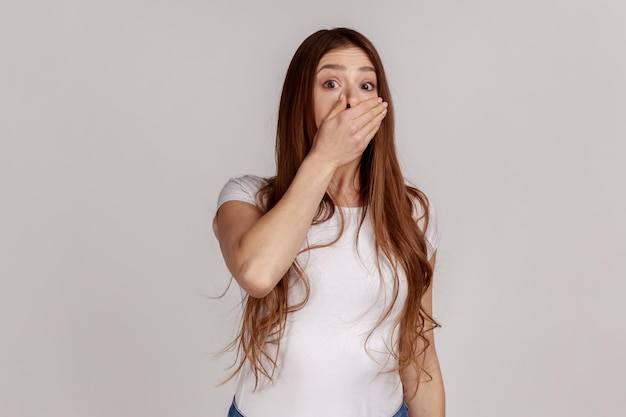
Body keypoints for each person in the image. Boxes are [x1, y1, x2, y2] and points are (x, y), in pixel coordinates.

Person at [213, 28, 445, 417]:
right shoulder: (248, 198)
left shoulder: (412, 212)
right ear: (301, 100)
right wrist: (324, 159)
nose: (350, 100)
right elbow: (256, 274)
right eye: (331, 82)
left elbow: (418, 350)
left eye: (366, 84)